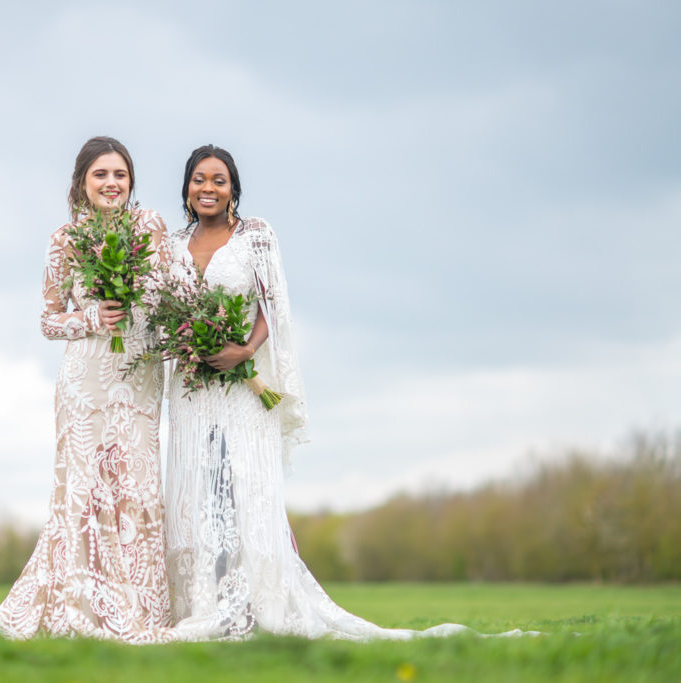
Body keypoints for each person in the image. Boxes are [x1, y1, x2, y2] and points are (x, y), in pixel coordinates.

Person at [163, 144, 532, 641]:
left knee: (245, 488)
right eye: (199, 179)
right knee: (201, 493)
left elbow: (277, 306)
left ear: (234, 190)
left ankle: (258, 606)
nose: (208, 188)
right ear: (186, 187)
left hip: (243, 389)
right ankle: (204, 603)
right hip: (193, 393)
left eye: (219, 180)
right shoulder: (170, 245)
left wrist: (243, 351)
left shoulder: (256, 236)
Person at [0, 136, 173, 642]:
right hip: (86, 377)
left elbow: (170, 293)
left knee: (135, 485)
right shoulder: (64, 240)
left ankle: (141, 609)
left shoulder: (152, 228)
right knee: (89, 491)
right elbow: (48, 321)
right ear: (82, 183)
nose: (111, 183)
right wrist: (91, 316)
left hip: (138, 374)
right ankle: (84, 606)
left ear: (131, 181)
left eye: (119, 174)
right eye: (100, 175)